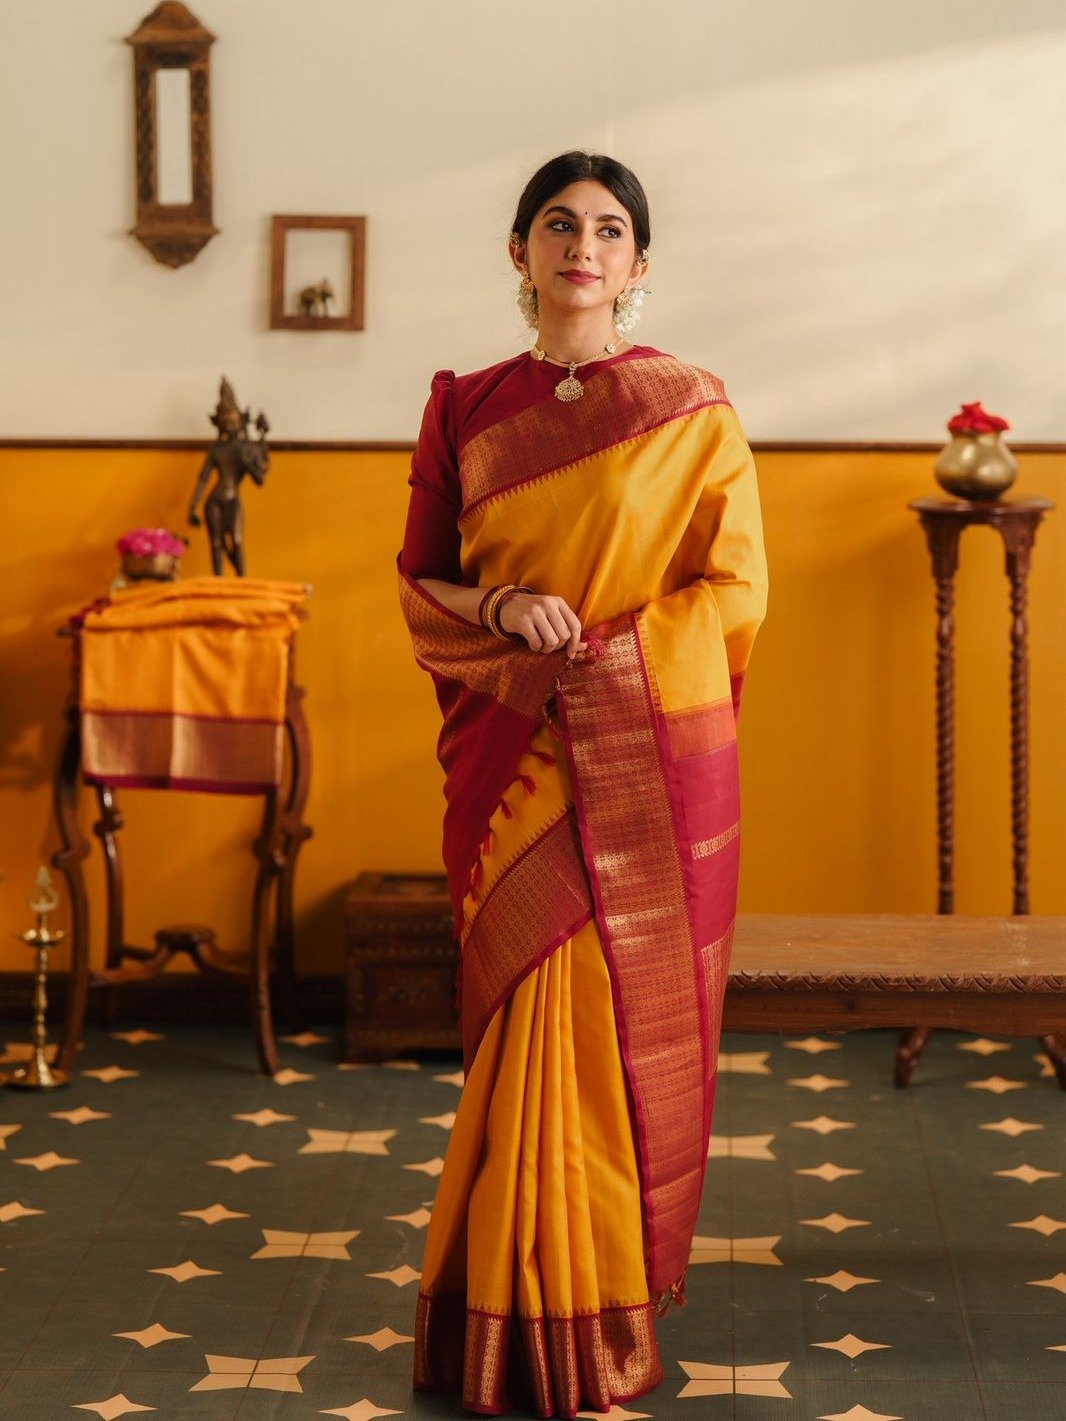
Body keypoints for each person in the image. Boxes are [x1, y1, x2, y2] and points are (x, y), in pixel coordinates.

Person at [398, 151, 767, 1418]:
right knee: (517, 1025)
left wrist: (608, 657)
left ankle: (585, 1308)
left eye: (609, 229)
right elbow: (421, 586)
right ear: (519, 251)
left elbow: (733, 595)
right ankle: (492, 1310)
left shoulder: (691, 409)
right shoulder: (463, 405)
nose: (582, 246)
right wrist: (501, 603)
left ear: (638, 265)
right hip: (507, 764)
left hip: (627, 760)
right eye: (558, 224)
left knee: (597, 1035)